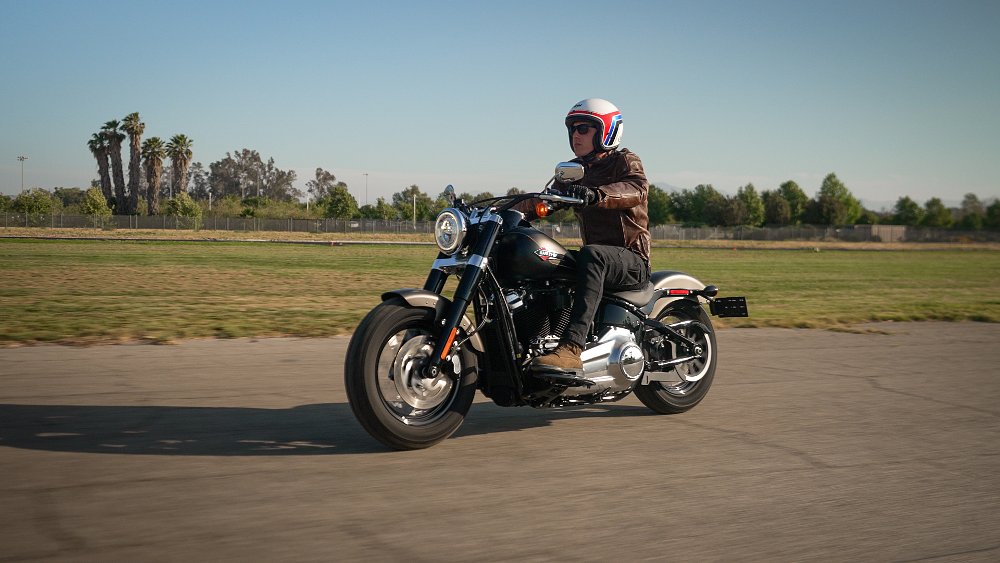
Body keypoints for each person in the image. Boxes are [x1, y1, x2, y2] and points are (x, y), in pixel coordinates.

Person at [524, 98, 651, 371]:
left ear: (606, 131)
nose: (576, 135)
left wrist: (597, 195)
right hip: (600, 261)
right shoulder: (573, 171)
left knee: (592, 255)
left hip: (630, 260)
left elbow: (636, 188)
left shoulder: (624, 162)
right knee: (540, 258)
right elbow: (542, 201)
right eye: (572, 129)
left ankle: (571, 348)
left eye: (584, 128)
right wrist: (498, 212)